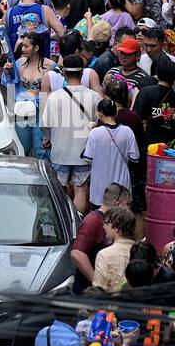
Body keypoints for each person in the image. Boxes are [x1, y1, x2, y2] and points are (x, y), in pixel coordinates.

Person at [41, 55, 100, 213]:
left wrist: (48, 139)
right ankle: (78, 223)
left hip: (60, 152)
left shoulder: (54, 97)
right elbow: (100, 123)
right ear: (82, 73)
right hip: (84, 153)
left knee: (60, 190)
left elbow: (45, 124)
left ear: (64, 74)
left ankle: (64, 222)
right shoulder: (94, 97)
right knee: (80, 189)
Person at [69, 182, 132, 293]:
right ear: (117, 204)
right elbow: (77, 253)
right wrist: (97, 283)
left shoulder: (113, 223)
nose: (128, 209)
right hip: (88, 292)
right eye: (127, 204)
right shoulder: (93, 221)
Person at [82, 98, 139, 209]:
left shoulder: (95, 133)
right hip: (122, 186)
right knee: (120, 220)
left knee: (101, 219)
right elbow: (135, 157)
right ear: (116, 112)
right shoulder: (127, 131)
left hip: (100, 187)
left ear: (99, 114)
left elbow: (88, 158)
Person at [92, 204, 137, 292]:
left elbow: (98, 289)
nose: (103, 226)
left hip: (112, 303)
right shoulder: (140, 250)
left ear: (117, 227)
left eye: (106, 223)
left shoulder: (104, 255)